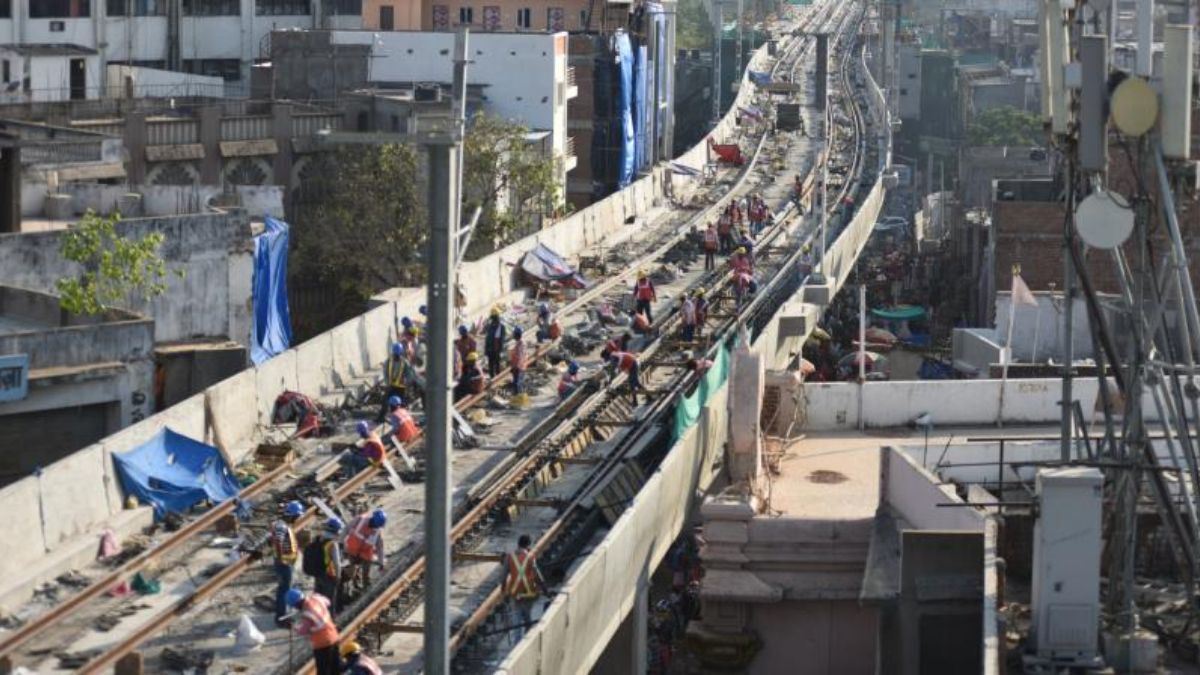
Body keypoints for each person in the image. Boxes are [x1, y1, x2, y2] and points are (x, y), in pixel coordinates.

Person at [503, 534, 547, 642]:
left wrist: (504, 592)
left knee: (516, 620)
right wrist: (544, 588)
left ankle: (517, 642)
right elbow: (537, 575)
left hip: (515, 593)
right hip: (529, 593)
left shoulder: (510, 557)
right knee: (527, 616)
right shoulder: (530, 557)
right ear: (528, 545)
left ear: (518, 544)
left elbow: (503, 577)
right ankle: (528, 635)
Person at [285, 588, 340, 675]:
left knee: (323, 671)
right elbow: (328, 602)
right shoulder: (316, 598)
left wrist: (293, 627)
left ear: (296, 604)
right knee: (335, 668)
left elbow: (303, 631)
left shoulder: (308, 614)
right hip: (334, 636)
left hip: (322, 644)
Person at [270, 500, 304, 627]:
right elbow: (277, 541)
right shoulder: (282, 526)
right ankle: (281, 618)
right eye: (297, 516)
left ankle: (283, 615)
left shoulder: (283, 525)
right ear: (293, 515)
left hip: (286, 562)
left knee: (285, 589)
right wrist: (281, 559)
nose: (297, 519)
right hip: (284, 564)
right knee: (284, 591)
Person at [304, 517, 344, 614]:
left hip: (317, 573)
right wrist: (338, 576)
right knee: (329, 601)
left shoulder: (317, 539)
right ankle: (330, 619)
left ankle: (316, 617)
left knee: (318, 600)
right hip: (329, 575)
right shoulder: (332, 544)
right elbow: (337, 563)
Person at [345, 509, 387, 587]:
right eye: (375, 525)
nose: (375, 527)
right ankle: (355, 585)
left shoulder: (377, 532)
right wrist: (341, 542)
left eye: (377, 526)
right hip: (353, 549)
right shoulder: (360, 520)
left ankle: (366, 586)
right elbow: (347, 528)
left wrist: (381, 563)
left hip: (366, 552)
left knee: (366, 570)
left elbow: (380, 548)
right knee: (353, 571)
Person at [381, 343, 409, 421]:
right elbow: (385, 373)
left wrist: (406, 381)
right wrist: (387, 383)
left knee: (401, 403)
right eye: (395, 354)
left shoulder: (404, 362)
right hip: (391, 385)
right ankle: (382, 417)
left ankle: (402, 418)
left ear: (401, 353)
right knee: (386, 401)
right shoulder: (388, 361)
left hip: (401, 387)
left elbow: (408, 374)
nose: (396, 356)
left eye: (398, 354)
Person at [484, 307, 507, 379]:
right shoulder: (490, 326)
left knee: (497, 365)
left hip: (497, 350)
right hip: (491, 350)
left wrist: (501, 350)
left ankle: (497, 379)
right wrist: (486, 350)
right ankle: (493, 378)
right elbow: (487, 339)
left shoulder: (501, 326)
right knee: (491, 365)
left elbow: (502, 339)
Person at [509, 326, 527, 395]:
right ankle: (518, 397)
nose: (513, 335)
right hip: (519, 366)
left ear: (517, 334)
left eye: (514, 334)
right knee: (517, 383)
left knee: (517, 384)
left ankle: (518, 397)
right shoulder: (519, 343)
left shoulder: (521, 344)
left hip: (519, 367)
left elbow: (519, 357)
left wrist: (515, 367)